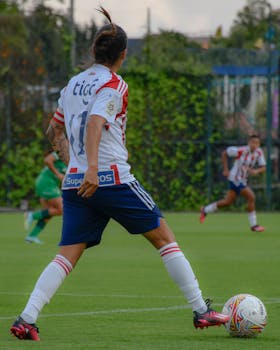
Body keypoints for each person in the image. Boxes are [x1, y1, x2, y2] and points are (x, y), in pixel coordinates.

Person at [10, 7, 229, 341]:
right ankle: (201, 310)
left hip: (75, 184)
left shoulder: (73, 84)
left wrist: (74, 166)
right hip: (111, 178)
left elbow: (53, 131)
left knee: (67, 253)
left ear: (94, 51)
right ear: (123, 54)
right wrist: (94, 169)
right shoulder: (114, 84)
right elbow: (96, 122)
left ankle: (26, 318)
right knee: (164, 238)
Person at [200, 134, 266, 232]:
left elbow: (263, 167)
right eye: (253, 142)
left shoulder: (259, 153)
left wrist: (256, 171)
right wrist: (226, 169)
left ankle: (205, 210)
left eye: (257, 143)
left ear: (259, 144)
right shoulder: (241, 151)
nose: (254, 145)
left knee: (227, 202)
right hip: (235, 179)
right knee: (251, 196)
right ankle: (254, 225)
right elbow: (224, 153)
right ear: (249, 142)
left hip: (243, 180)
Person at [24, 151, 66, 244]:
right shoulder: (62, 152)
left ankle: (31, 236)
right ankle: (31, 215)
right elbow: (47, 160)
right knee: (62, 209)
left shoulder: (74, 159)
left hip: (50, 184)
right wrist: (58, 174)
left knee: (48, 212)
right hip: (46, 182)